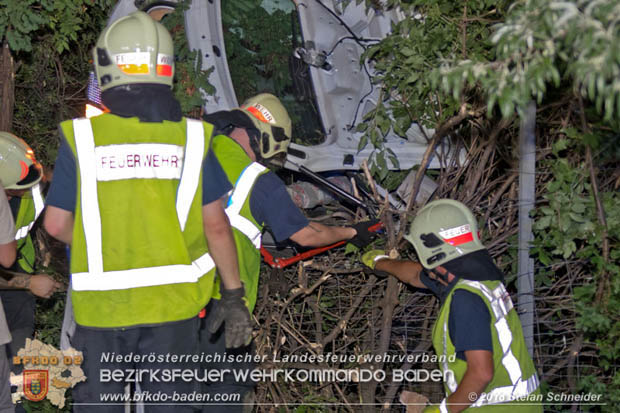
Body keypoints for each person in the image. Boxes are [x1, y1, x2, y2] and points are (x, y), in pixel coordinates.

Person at [43, 11, 250, 412]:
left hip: (102, 311)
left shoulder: (82, 138)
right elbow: (216, 227)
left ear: (107, 68)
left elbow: (55, 223)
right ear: (167, 69)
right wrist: (233, 296)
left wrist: (104, 239)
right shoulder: (193, 139)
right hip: (174, 310)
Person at [200, 93, 377, 411]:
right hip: (222, 308)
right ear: (265, 139)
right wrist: (353, 231)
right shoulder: (257, 179)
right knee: (228, 393)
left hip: (172, 300)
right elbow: (306, 234)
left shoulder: (192, 151)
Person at [361, 199, 542, 412]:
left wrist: (445, 410)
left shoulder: (466, 299)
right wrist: (380, 261)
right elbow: (416, 275)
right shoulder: (480, 277)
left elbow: (481, 374)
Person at [0, 133, 60, 370]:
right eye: (17, 190)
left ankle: (15, 394)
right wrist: (28, 283)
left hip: (15, 282)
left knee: (17, 352)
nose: (28, 190)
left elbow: (46, 180)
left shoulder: (29, 181)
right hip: (16, 280)